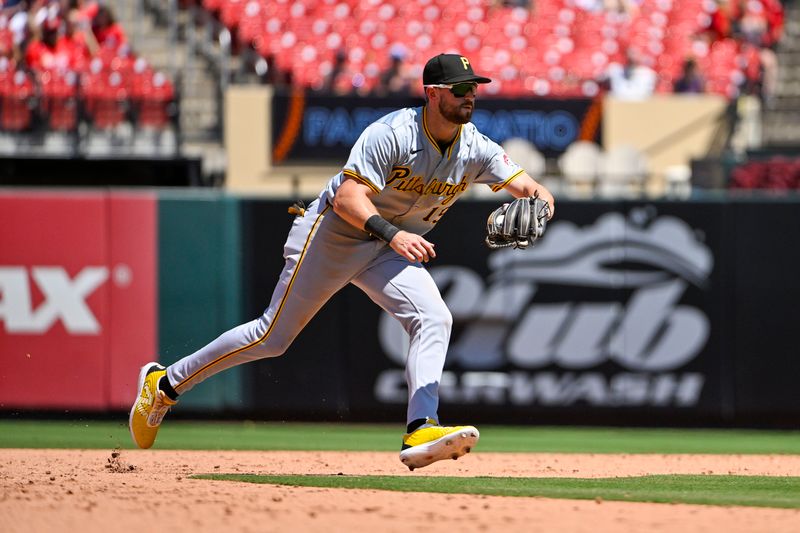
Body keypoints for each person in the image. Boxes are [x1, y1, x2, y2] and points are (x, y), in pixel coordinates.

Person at [129, 53, 555, 470]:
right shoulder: (391, 133)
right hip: (335, 233)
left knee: (434, 318)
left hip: (388, 248)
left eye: (474, 89)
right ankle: (164, 384)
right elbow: (349, 198)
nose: (470, 97)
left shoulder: (475, 147)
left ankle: (421, 427)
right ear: (432, 93)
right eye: (460, 89)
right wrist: (394, 234)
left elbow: (535, 190)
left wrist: (541, 208)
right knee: (271, 337)